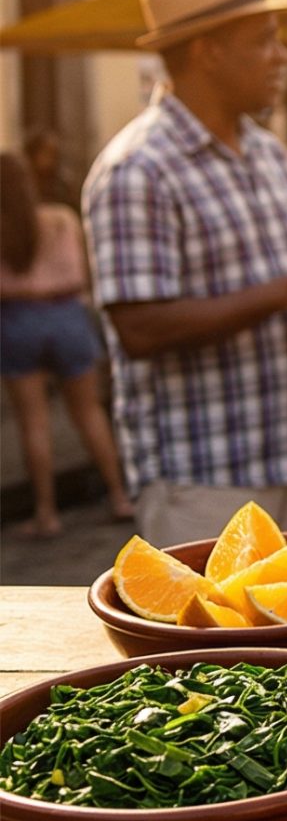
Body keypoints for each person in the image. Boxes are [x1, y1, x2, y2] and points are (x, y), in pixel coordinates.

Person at [84, 0, 287, 543]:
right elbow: (139, 329)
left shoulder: (267, 151)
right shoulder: (136, 169)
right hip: (203, 480)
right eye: (264, 41)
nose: (282, 56)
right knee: (216, 638)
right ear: (207, 52)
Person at [1, 150, 132, 536]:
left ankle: (46, 513)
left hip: (16, 321)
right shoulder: (61, 219)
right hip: (68, 318)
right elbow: (85, 274)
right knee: (89, 412)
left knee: (33, 422)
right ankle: (119, 495)